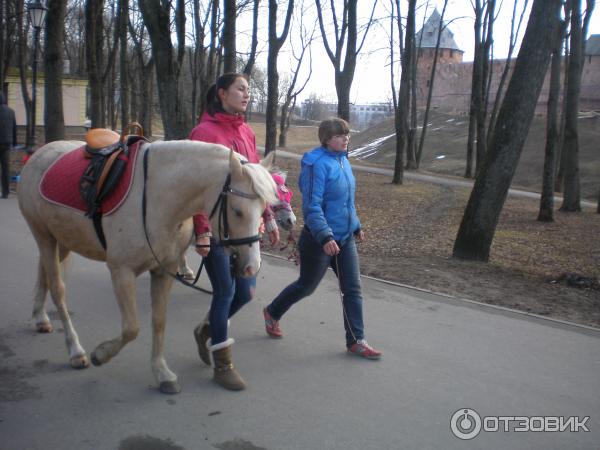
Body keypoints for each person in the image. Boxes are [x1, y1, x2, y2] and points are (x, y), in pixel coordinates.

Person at [189, 73, 280, 390]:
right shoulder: (203, 133)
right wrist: (200, 230)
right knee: (225, 292)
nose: (246, 94)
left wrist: (267, 215)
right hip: (214, 230)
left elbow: (256, 181)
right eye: (240, 88)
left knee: (245, 293)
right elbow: (195, 186)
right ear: (222, 93)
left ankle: (206, 329)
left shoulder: (246, 132)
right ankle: (222, 365)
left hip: (243, 229)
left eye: (248, 89)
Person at [262, 118, 382, 360]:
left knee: (352, 289)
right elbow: (312, 207)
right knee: (306, 286)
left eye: (346, 135)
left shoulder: (343, 161)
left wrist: (355, 226)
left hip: (344, 238)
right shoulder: (316, 164)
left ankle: (356, 341)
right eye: (339, 136)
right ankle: (272, 311)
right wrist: (325, 235)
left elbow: (346, 201)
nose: (345, 139)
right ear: (326, 138)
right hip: (319, 241)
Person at [0, 93, 17, 199]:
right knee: (5, 168)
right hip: (6, 143)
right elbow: (14, 128)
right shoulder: (11, 111)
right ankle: (5, 192)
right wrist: (14, 143)